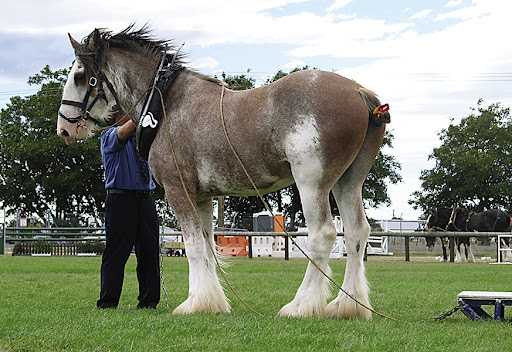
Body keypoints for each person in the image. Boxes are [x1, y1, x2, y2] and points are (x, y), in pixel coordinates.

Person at [96, 107, 160, 309]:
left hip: (145, 198)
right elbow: (124, 131)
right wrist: (147, 110)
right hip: (120, 199)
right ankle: (108, 301)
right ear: (115, 117)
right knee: (116, 252)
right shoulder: (109, 136)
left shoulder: (143, 139)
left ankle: (149, 301)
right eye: (126, 111)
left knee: (149, 251)